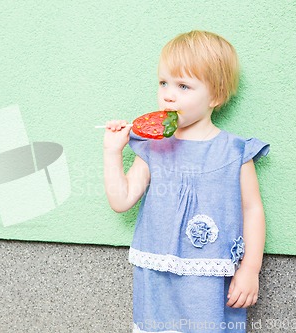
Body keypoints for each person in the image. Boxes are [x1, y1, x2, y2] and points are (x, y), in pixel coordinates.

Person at [103, 30, 270, 333]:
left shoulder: (234, 152)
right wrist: (112, 152)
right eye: (163, 83)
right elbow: (122, 199)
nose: (168, 94)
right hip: (157, 278)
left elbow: (252, 210)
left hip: (208, 280)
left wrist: (250, 269)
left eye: (183, 86)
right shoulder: (153, 147)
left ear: (215, 96)